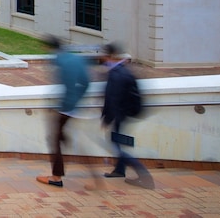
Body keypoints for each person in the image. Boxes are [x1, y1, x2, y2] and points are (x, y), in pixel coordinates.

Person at [37, 36, 89, 188]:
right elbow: (85, 83)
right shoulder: (75, 58)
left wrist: (63, 107)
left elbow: (67, 87)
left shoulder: (61, 62)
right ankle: (68, 144)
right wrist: (77, 100)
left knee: (54, 140)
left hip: (66, 108)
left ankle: (56, 177)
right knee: (60, 136)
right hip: (74, 106)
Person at [101, 43, 153, 188]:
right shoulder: (120, 70)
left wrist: (107, 118)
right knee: (118, 142)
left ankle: (145, 176)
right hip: (124, 113)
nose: (102, 58)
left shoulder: (117, 74)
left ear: (110, 56)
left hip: (120, 113)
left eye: (104, 55)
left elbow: (113, 97)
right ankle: (119, 170)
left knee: (118, 146)